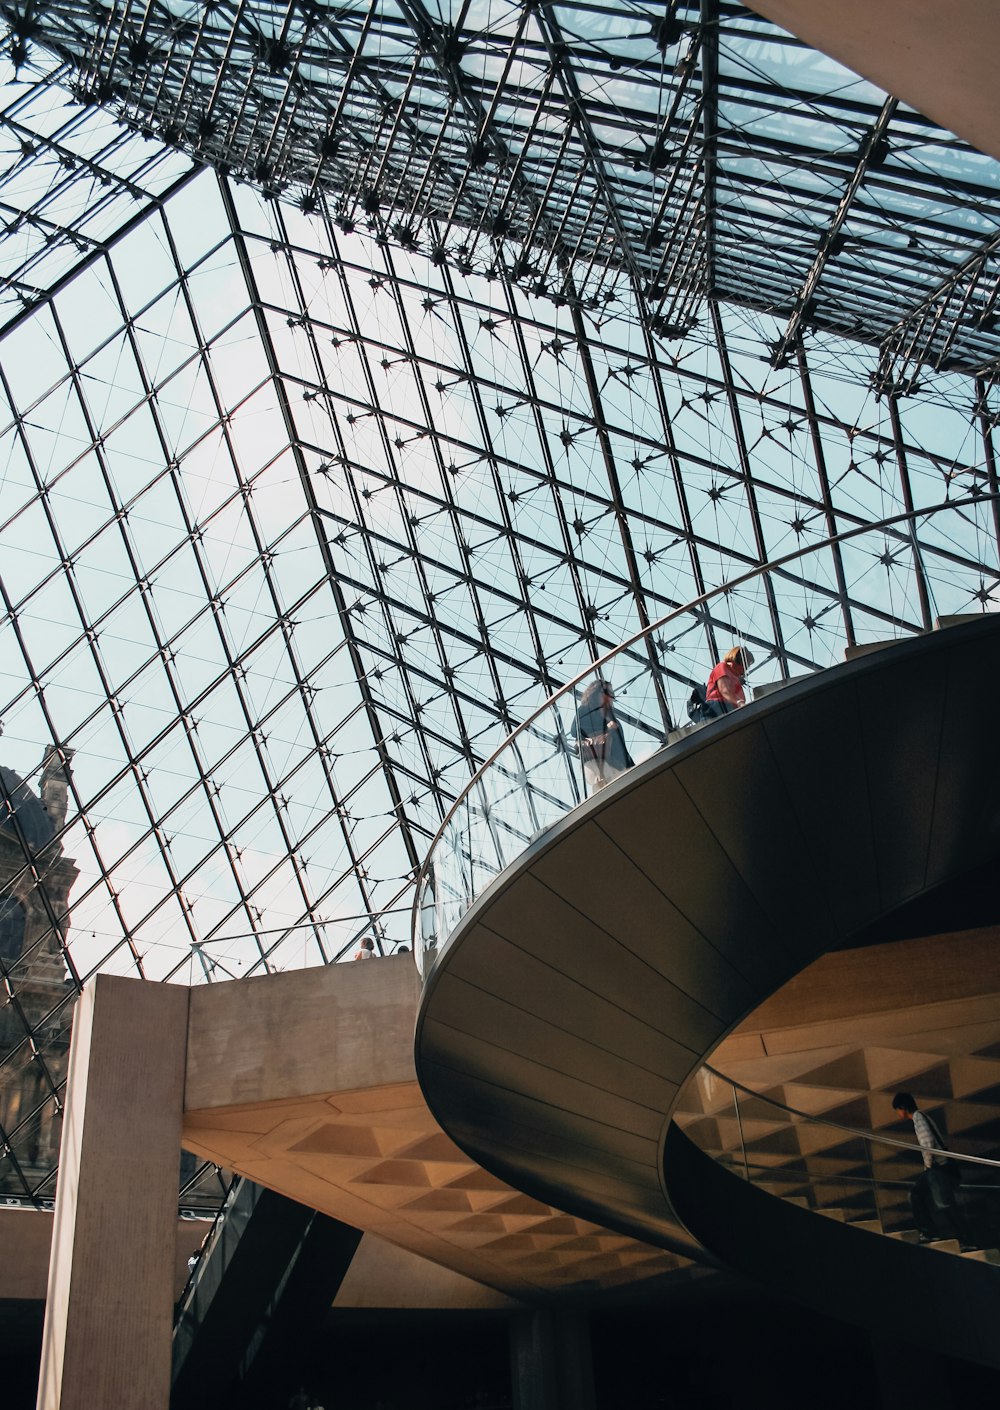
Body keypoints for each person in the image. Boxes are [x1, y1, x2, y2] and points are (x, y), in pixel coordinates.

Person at [891, 1091, 974, 1249]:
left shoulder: (918, 1118)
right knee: (919, 1195)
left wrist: (928, 1165)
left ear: (902, 1107)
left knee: (943, 1204)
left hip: (938, 1168)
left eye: (897, 1109)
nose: (897, 1113)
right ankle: (934, 1233)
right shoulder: (923, 1116)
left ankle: (963, 1239)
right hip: (940, 1167)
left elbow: (928, 1142)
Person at [573, 679, 634, 792]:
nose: (611, 697)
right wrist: (607, 731)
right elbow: (575, 731)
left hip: (617, 766)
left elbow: (622, 749)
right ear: (596, 693)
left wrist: (632, 768)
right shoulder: (584, 711)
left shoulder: (612, 718)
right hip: (596, 763)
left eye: (612, 694)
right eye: (608, 693)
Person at [704, 646, 754, 718]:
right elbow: (724, 690)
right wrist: (739, 702)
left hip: (728, 710)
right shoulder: (722, 667)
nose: (745, 669)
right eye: (745, 664)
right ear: (738, 660)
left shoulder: (735, 677)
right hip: (718, 708)